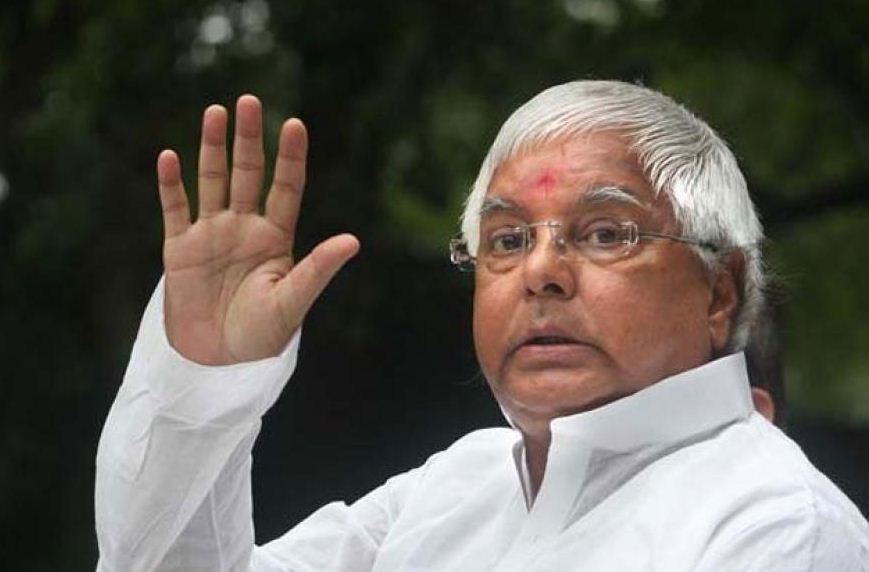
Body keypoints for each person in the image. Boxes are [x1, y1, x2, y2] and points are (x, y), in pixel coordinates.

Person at [95, 81, 868, 571]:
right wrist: (204, 385)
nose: (541, 270)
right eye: (506, 239)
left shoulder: (774, 527)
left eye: (605, 233)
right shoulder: (454, 488)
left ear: (718, 291)